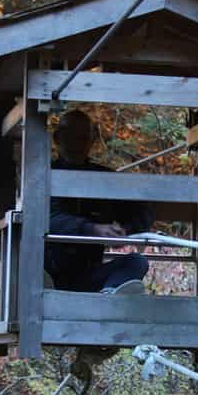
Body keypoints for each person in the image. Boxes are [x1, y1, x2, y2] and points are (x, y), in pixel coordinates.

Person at [46, 109, 154, 294]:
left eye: (83, 138)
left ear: (92, 141)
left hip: (90, 273)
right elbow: (47, 218)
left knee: (137, 262)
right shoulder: (42, 174)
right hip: (47, 274)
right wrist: (92, 229)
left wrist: (123, 230)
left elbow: (142, 211)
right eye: (70, 137)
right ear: (57, 138)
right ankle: (108, 298)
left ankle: (108, 298)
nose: (77, 144)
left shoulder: (105, 179)